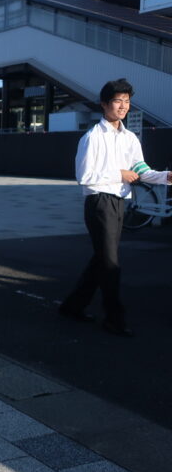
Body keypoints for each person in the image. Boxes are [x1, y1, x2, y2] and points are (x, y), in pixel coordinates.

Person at [59, 78, 172, 336]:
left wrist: (165, 176)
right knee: (110, 262)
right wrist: (119, 173)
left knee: (102, 259)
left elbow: (140, 170)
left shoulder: (130, 137)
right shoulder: (92, 137)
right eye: (118, 101)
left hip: (120, 202)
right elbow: (84, 175)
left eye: (127, 102)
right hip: (99, 201)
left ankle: (73, 306)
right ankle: (114, 317)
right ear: (104, 104)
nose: (123, 106)